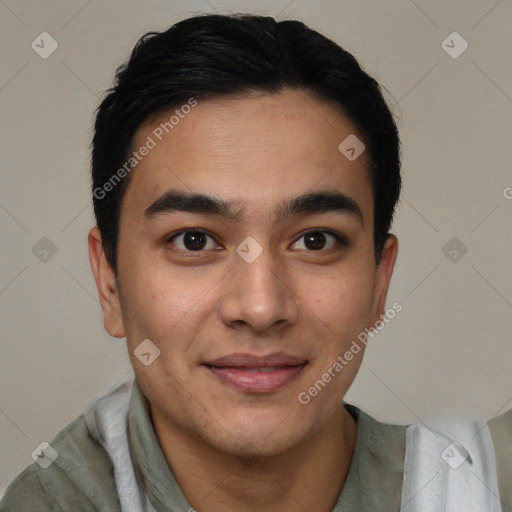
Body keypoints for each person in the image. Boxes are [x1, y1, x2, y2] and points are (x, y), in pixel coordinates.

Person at [1, 12, 510, 512]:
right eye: (195, 240)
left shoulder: (478, 488)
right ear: (109, 280)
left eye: (314, 241)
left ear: (380, 280)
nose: (262, 307)